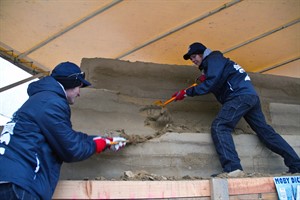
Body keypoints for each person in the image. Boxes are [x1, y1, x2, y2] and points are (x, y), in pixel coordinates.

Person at [0, 61, 127, 200]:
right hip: (19, 183)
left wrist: (102, 141)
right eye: (79, 87)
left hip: (10, 179)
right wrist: (99, 144)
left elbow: (66, 136)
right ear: (71, 83)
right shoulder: (52, 102)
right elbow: (71, 149)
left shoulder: (42, 99)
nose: (79, 93)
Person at [172, 42, 300, 176]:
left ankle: (233, 169)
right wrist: (206, 77)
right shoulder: (217, 62)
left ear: (202, 53)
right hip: (250, 96)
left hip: (239, 96)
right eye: (191, 59)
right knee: (266, 132)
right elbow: (217, 81)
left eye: (194, 56)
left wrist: (186, 92)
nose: (193, 61)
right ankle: (296, 165)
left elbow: (212, 83)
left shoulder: (213, 58)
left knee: (220, 126)